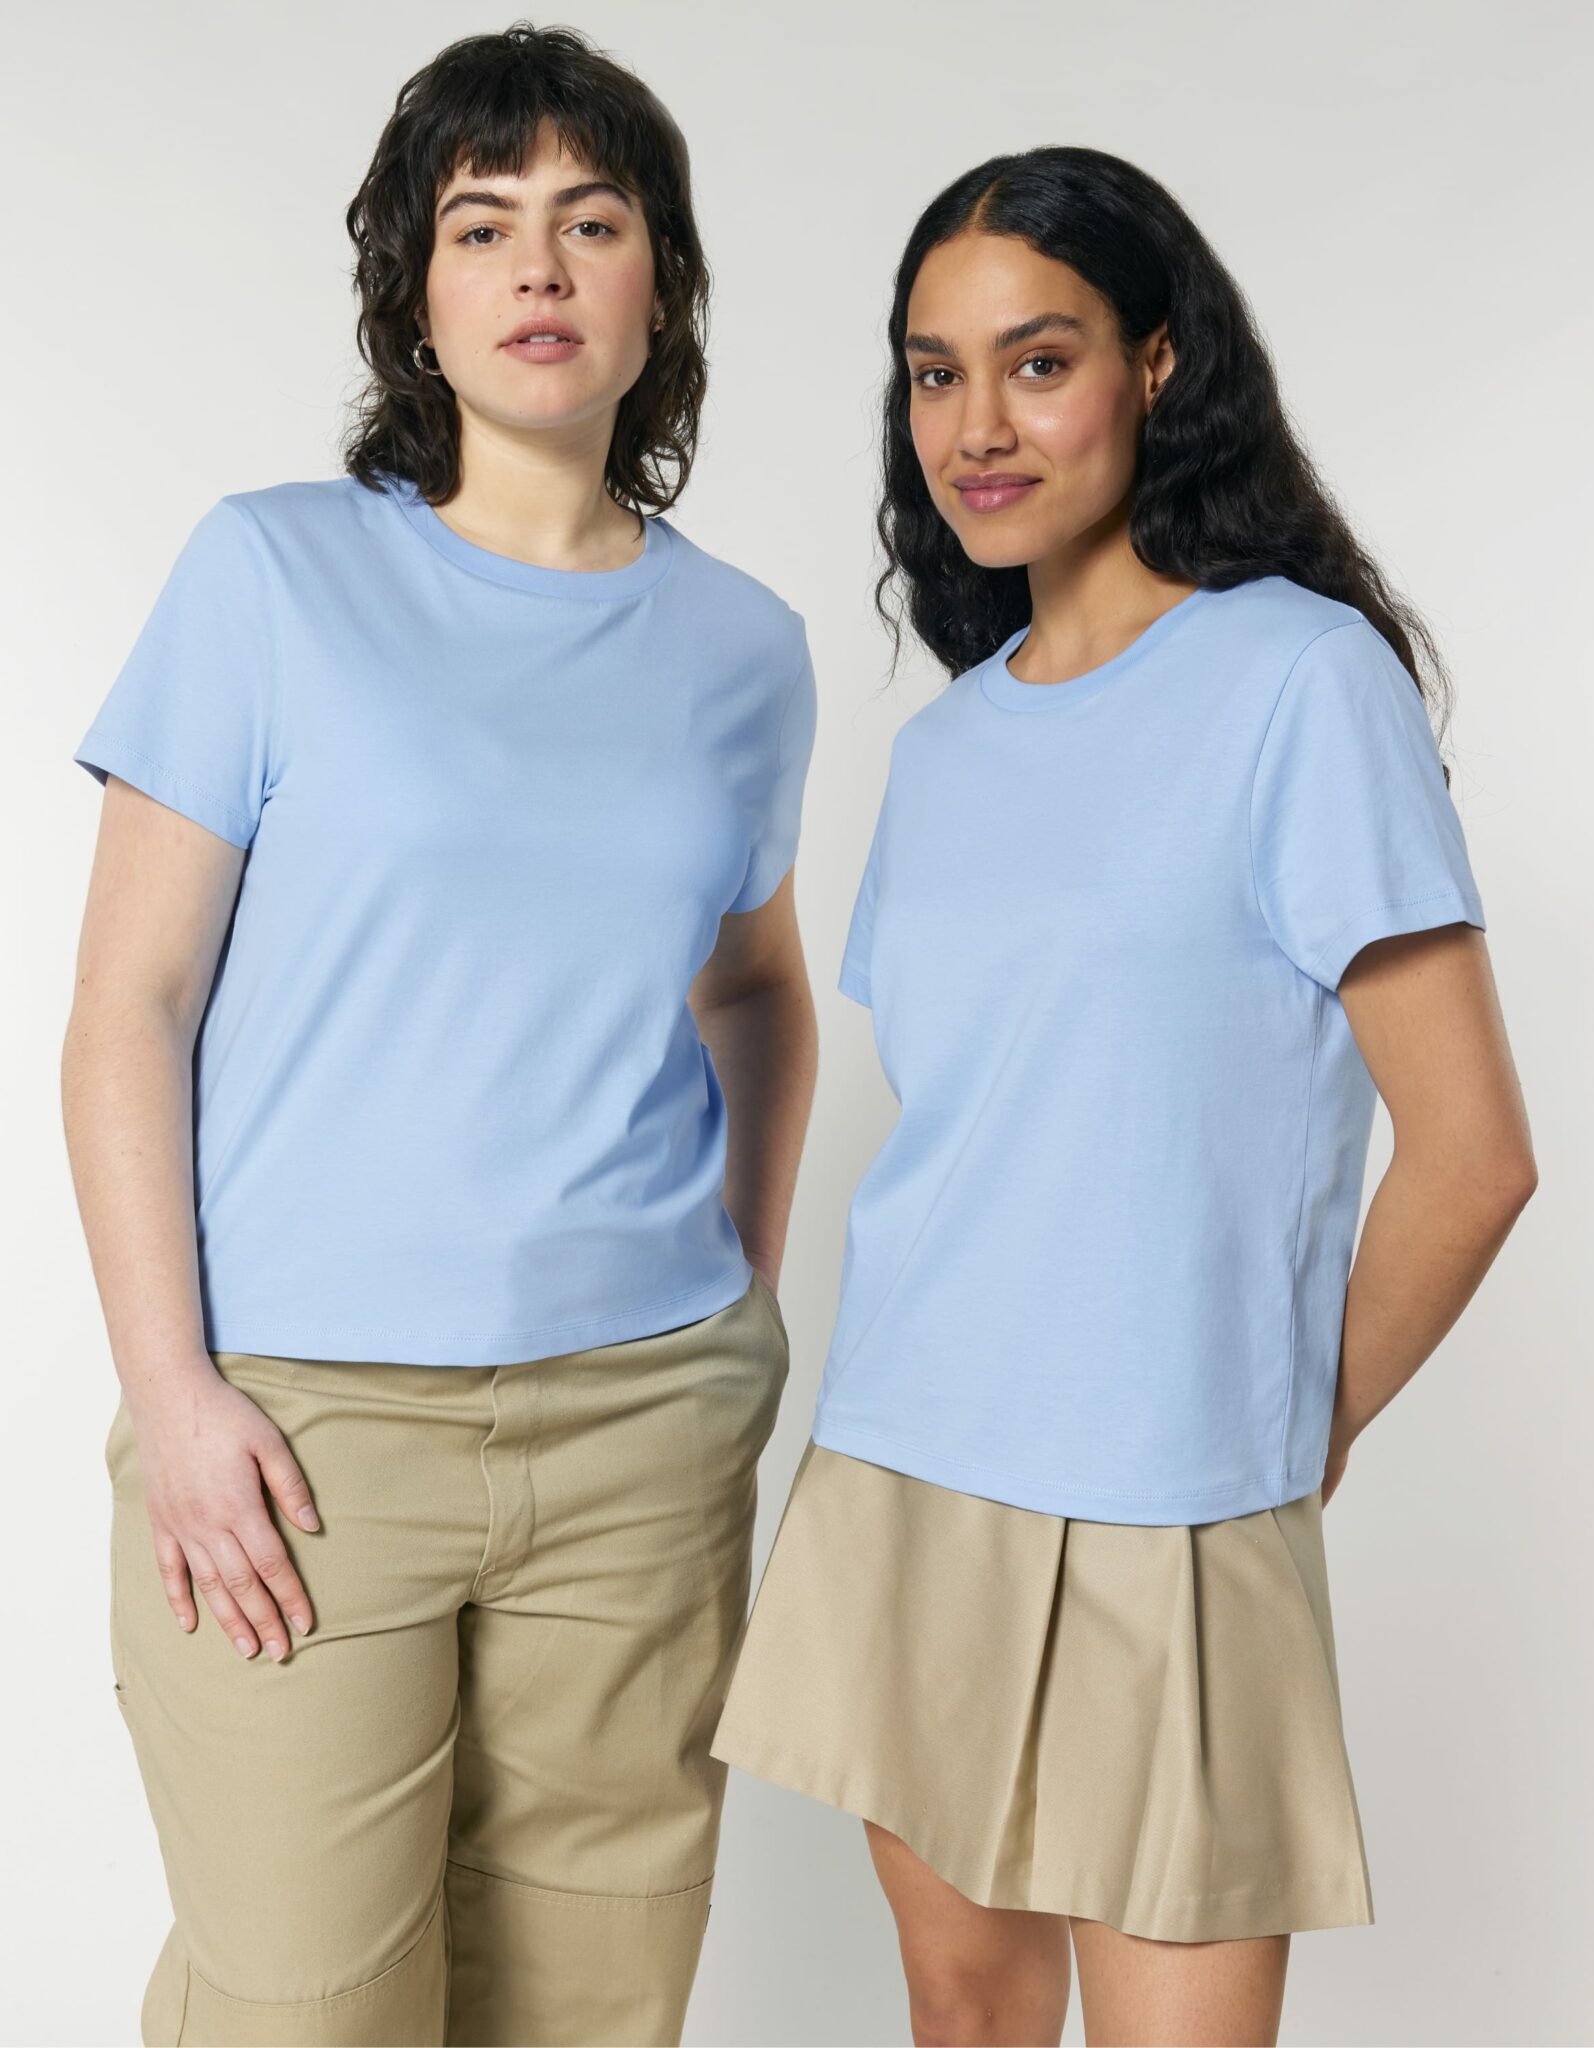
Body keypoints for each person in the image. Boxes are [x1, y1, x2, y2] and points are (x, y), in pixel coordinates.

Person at [711, 145, 1536, 2048]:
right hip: (905, 1462)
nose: (975, 426)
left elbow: (1474, 1155)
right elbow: (989, 1129)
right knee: (964, 2020)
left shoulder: (1299, 681)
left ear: (1156, 364)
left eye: (1037, 360)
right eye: (934, 373)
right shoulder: (948, 741)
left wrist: (1285, 1427)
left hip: (1172, 1496)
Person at [62, 26, 816, 2047]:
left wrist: (736, 1302)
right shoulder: (272, 572)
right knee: (304, 2003)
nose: (540, 266)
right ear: (416, 293)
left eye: (591, 220)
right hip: (304, 1430)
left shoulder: (746, 648)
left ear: (662, 284)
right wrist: (172, 1390)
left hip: (643, 1426)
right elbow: (127, 1008)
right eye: (483, 227)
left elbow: (755, 984)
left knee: (589, 2005)